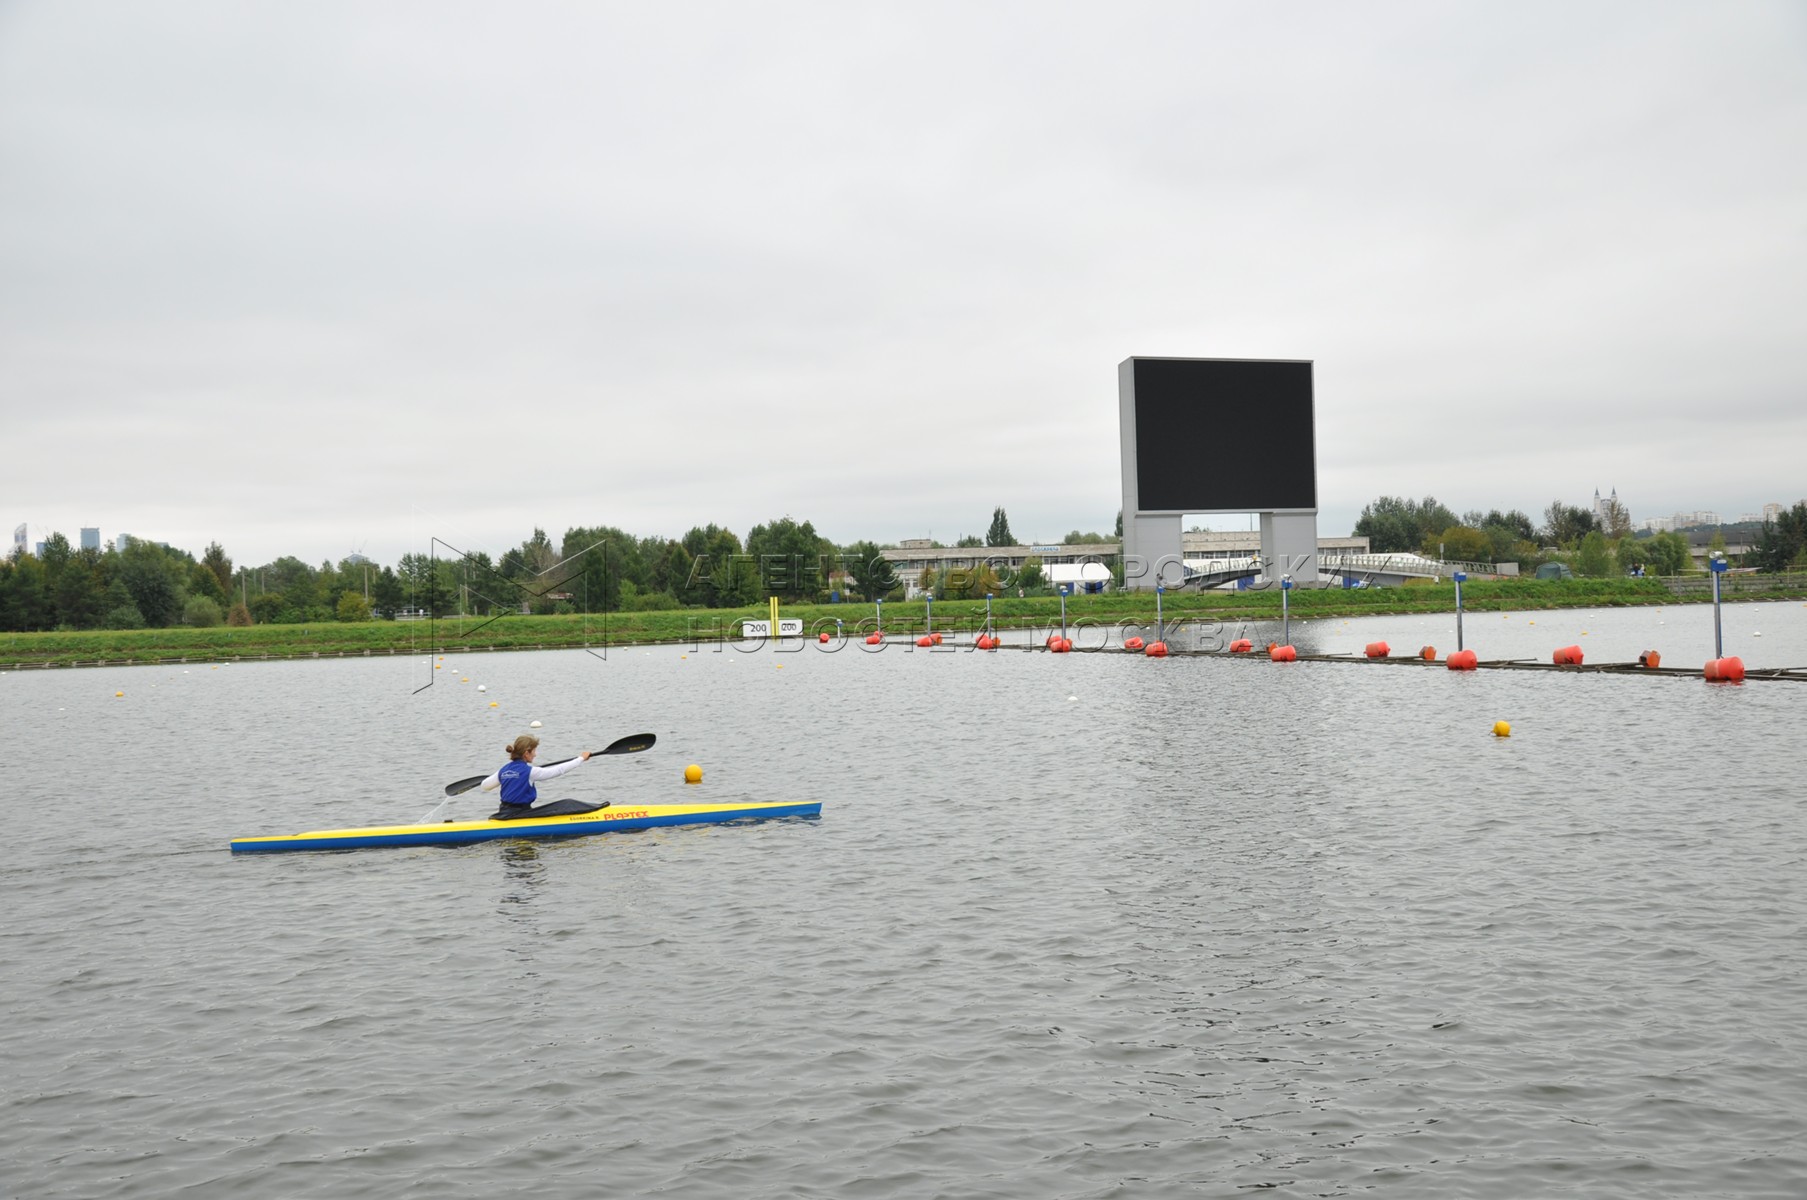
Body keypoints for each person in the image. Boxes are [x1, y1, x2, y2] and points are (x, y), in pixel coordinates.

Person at [480, 735, 598, 821]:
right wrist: (580, 759)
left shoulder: (503, 770)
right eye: (534, 751)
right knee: (568, 803)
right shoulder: (531, 772)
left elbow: (484, 786)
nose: (535, 754)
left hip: (503, 814)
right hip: (521, 815)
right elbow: (558, 770)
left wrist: (504, 777)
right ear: (526, 753)